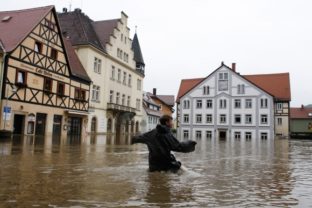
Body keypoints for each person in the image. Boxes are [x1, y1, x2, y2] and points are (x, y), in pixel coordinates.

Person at [131, 115, 197, 173]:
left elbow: (138, 138)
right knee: (187, 173)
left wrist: (132, 139)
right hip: (166, 165)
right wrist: (191, 144)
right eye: (171, 121)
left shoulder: (150, 133)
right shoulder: (167, 134)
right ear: (167, 122)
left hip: (153, 165)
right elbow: (178, 146)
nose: (172, 123)